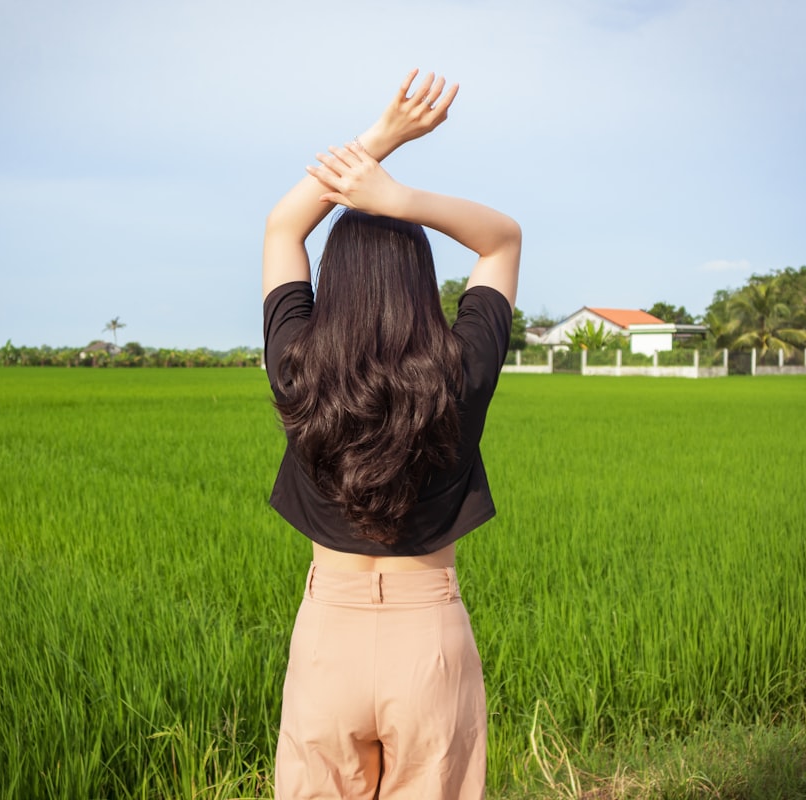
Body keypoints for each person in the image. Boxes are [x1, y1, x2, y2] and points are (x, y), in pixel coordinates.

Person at [262, 69, 521, 800]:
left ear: (333, 283)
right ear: (420, 283)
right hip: (427, 638)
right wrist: (401, 200)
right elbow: (502, 241)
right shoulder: (459, 369)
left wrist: (377, 144)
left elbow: (285, 225)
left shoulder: (298, 366)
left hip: (327, 638)